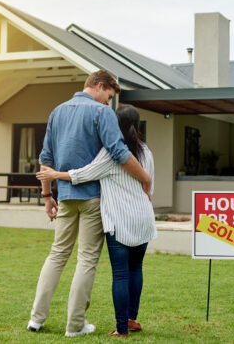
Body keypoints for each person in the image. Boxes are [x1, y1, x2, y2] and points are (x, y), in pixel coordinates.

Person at [27, 70, 151, 337]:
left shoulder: (57, 112)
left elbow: (45, 158)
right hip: (93, 198)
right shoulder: (101, 113)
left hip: (65, 196)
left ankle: (36, 319)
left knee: (57, 255)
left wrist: (47, 196)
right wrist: (145, 178)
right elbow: (119, 153)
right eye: (108, 96)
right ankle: (75, 326)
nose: (108, 103)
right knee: (86, 260)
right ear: (98, 86)